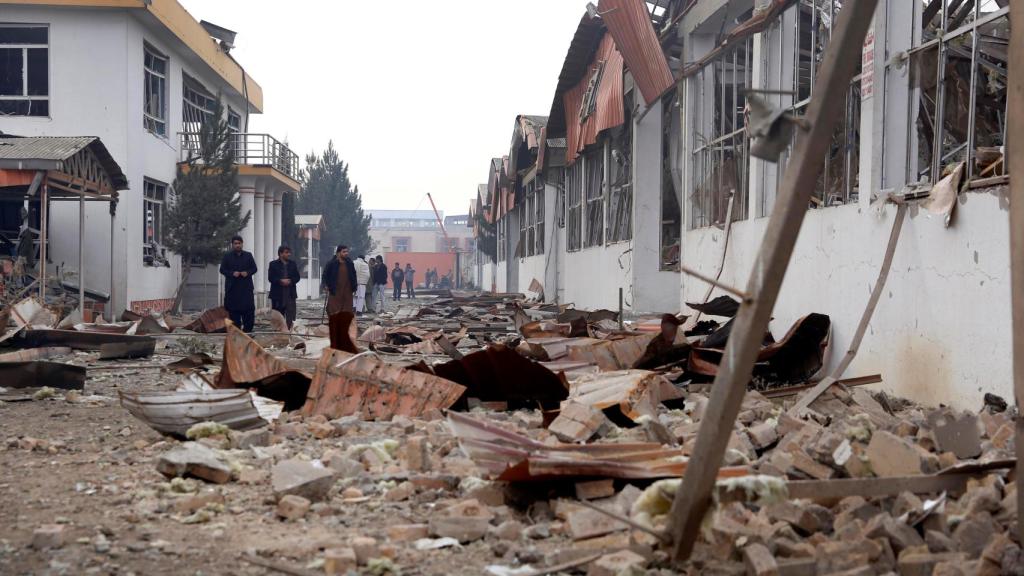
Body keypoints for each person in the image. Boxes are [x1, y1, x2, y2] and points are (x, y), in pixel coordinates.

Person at [322, 244, 359, 353]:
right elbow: (325, 275)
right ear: (338, 252)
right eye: (344, 252)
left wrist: (354, 286)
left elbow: (353, 275)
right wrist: (325, 285)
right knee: (334, 310)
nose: (346, 253)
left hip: (347, 291)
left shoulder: (349, 263)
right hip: (335, 290)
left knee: (347, 310)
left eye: (347, 251)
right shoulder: (331, 263)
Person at [219, 235, 258, 333]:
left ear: (242, 244)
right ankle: (236, 333)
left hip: (246, 289)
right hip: (232, 289)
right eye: (235, 243)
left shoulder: (248, 255)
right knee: (233, 312)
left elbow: (254, 268)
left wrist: (247, 273)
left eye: (239, 243)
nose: (237, 245)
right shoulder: (227, 256)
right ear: (232, 245)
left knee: (248, 312)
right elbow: (222, 269)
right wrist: (232, 273)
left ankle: (247, 332)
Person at [268, 245, 301, 329]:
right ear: (280, 253)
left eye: (289, 252)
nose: (289, 254)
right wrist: (280, 281)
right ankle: (279, 335)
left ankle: (289, 333)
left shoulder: (292, 264)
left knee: (290, 317)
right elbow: (271, 278)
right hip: (278, 295)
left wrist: (290, 281)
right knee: (278, 317)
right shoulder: (273, 264)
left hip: (290, 294)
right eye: (286, 252)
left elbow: (297, 277)